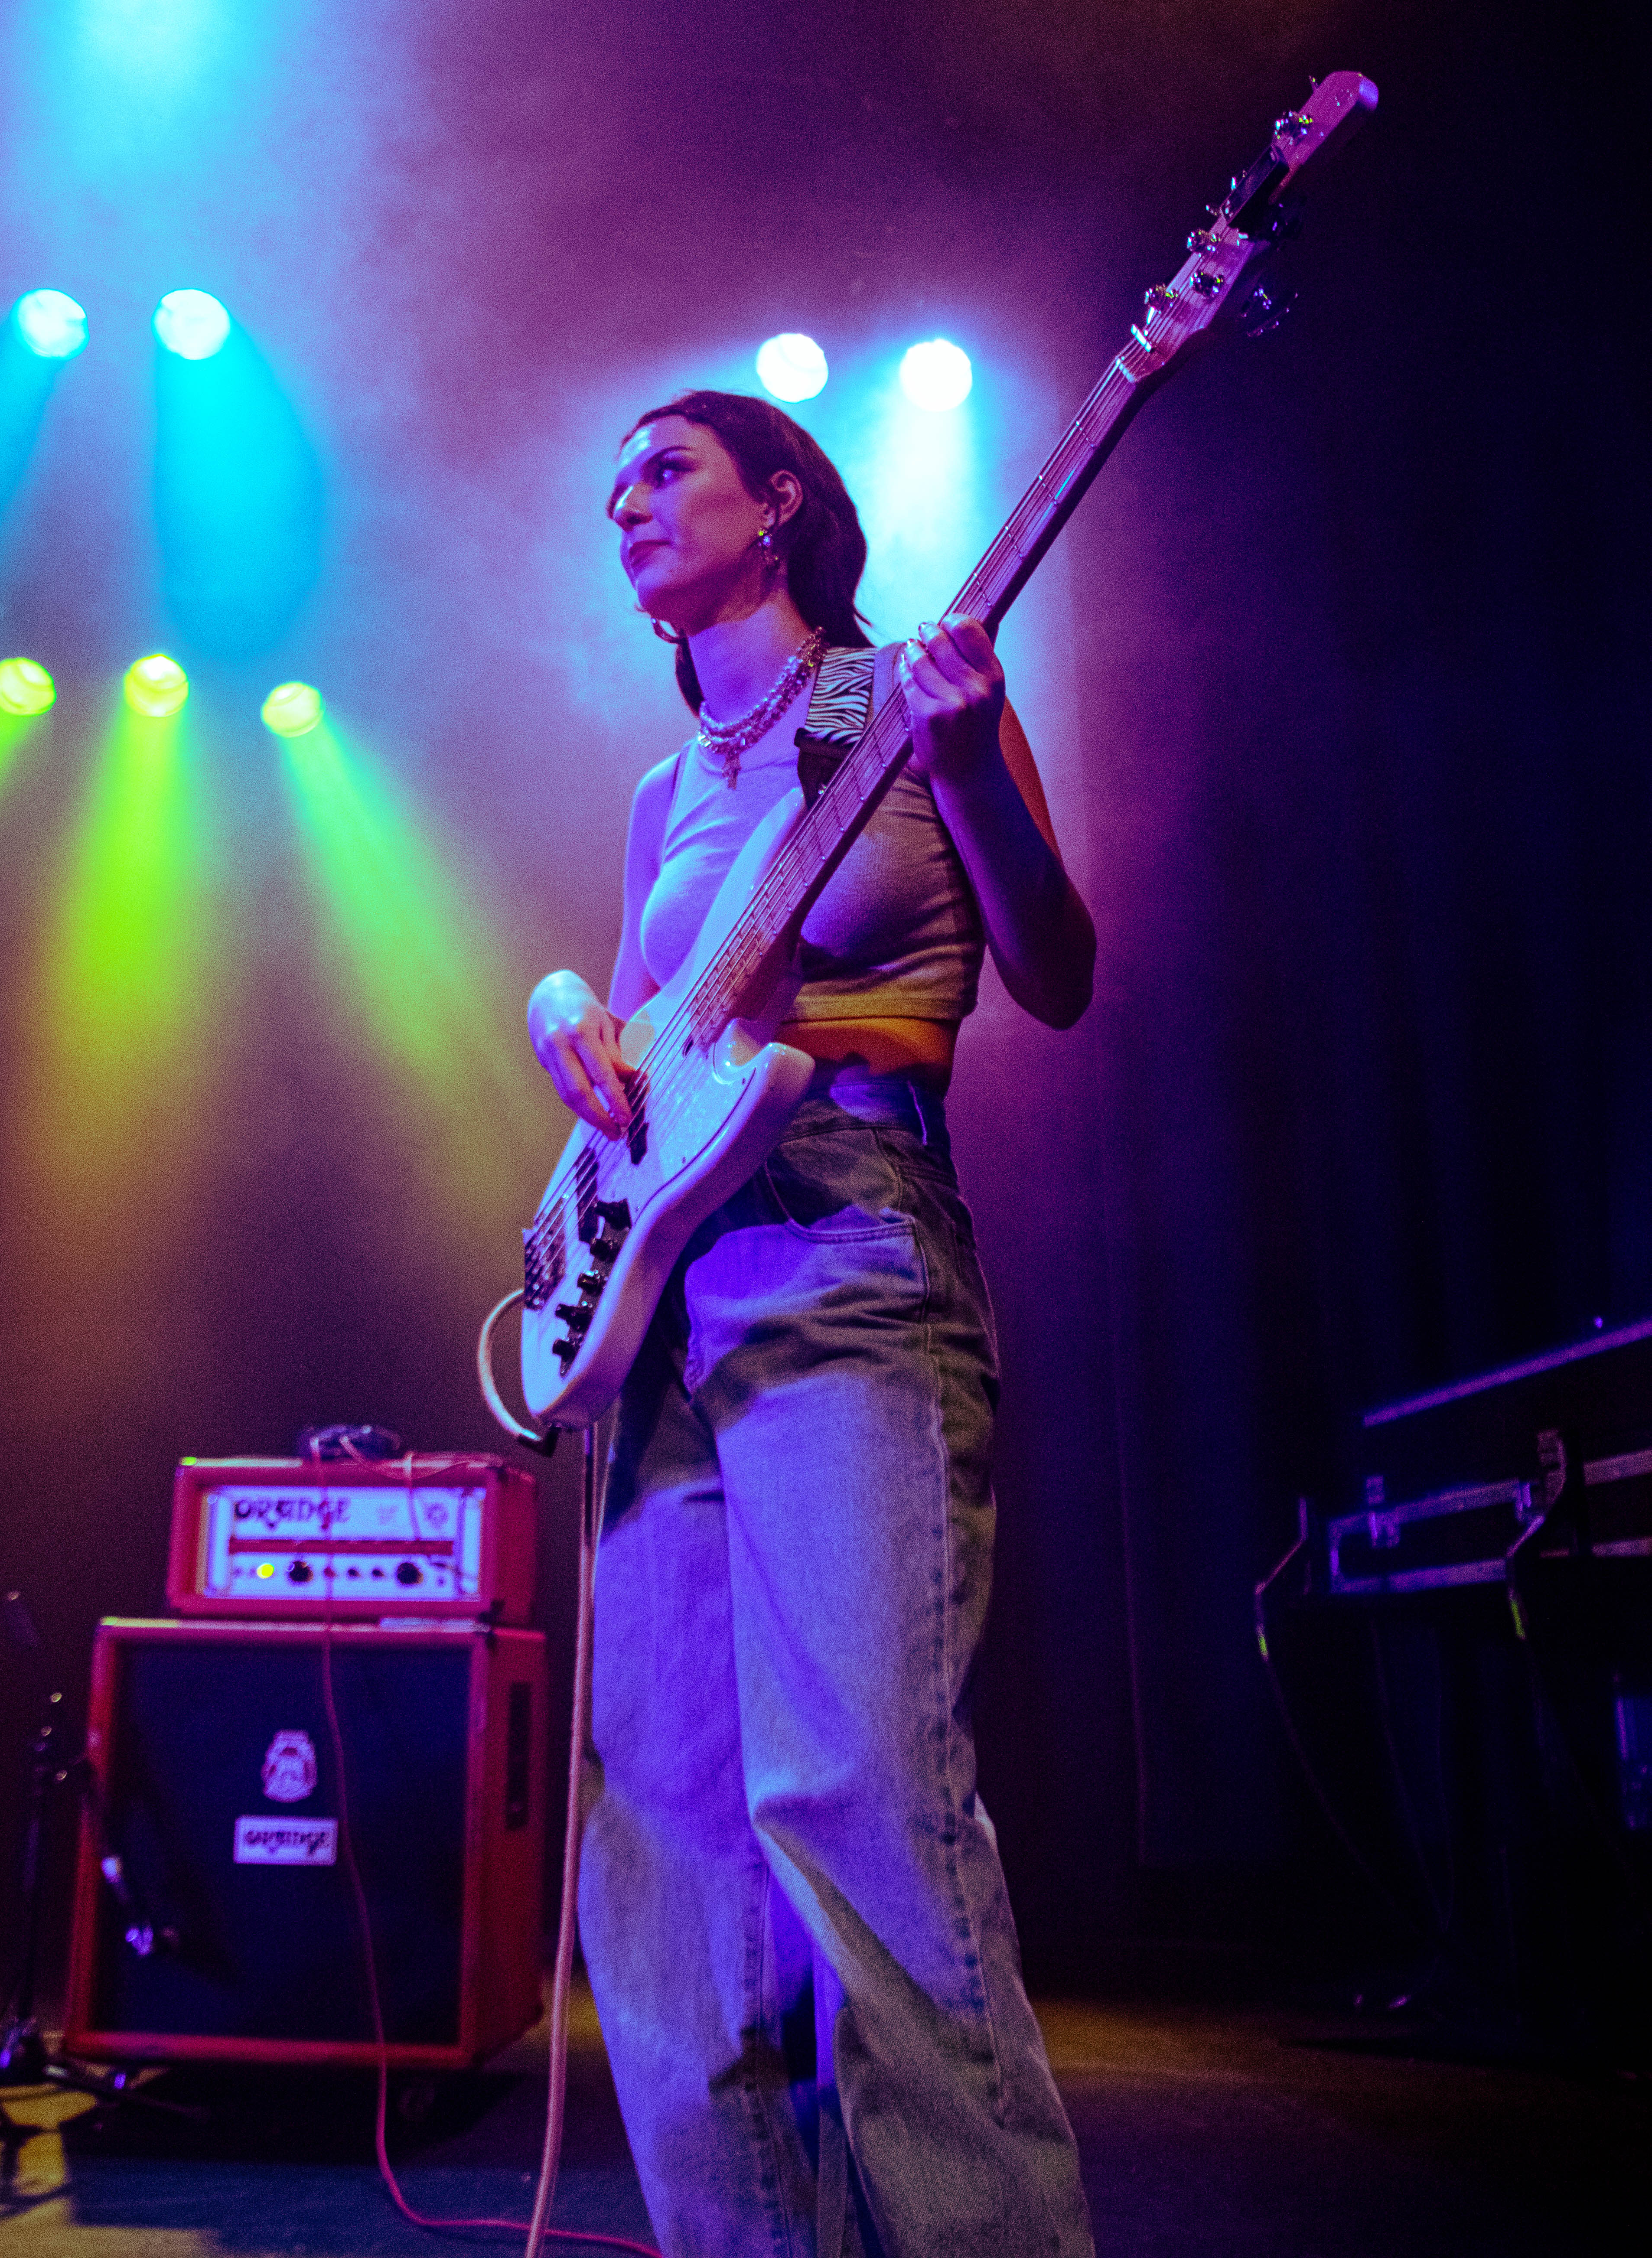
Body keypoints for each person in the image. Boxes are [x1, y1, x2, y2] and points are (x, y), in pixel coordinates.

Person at [528, 391, 1097, 2258]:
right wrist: (572, 1024)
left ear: (779, 501)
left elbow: (1055, 971)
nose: (626, 500)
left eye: (666, 467)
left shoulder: (900, 699)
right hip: (671, 1304)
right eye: (613, 481)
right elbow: (659, 1050)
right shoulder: (660, 791)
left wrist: (977, 760)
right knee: (670, 1860)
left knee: (859, 1812)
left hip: (849, 1248)